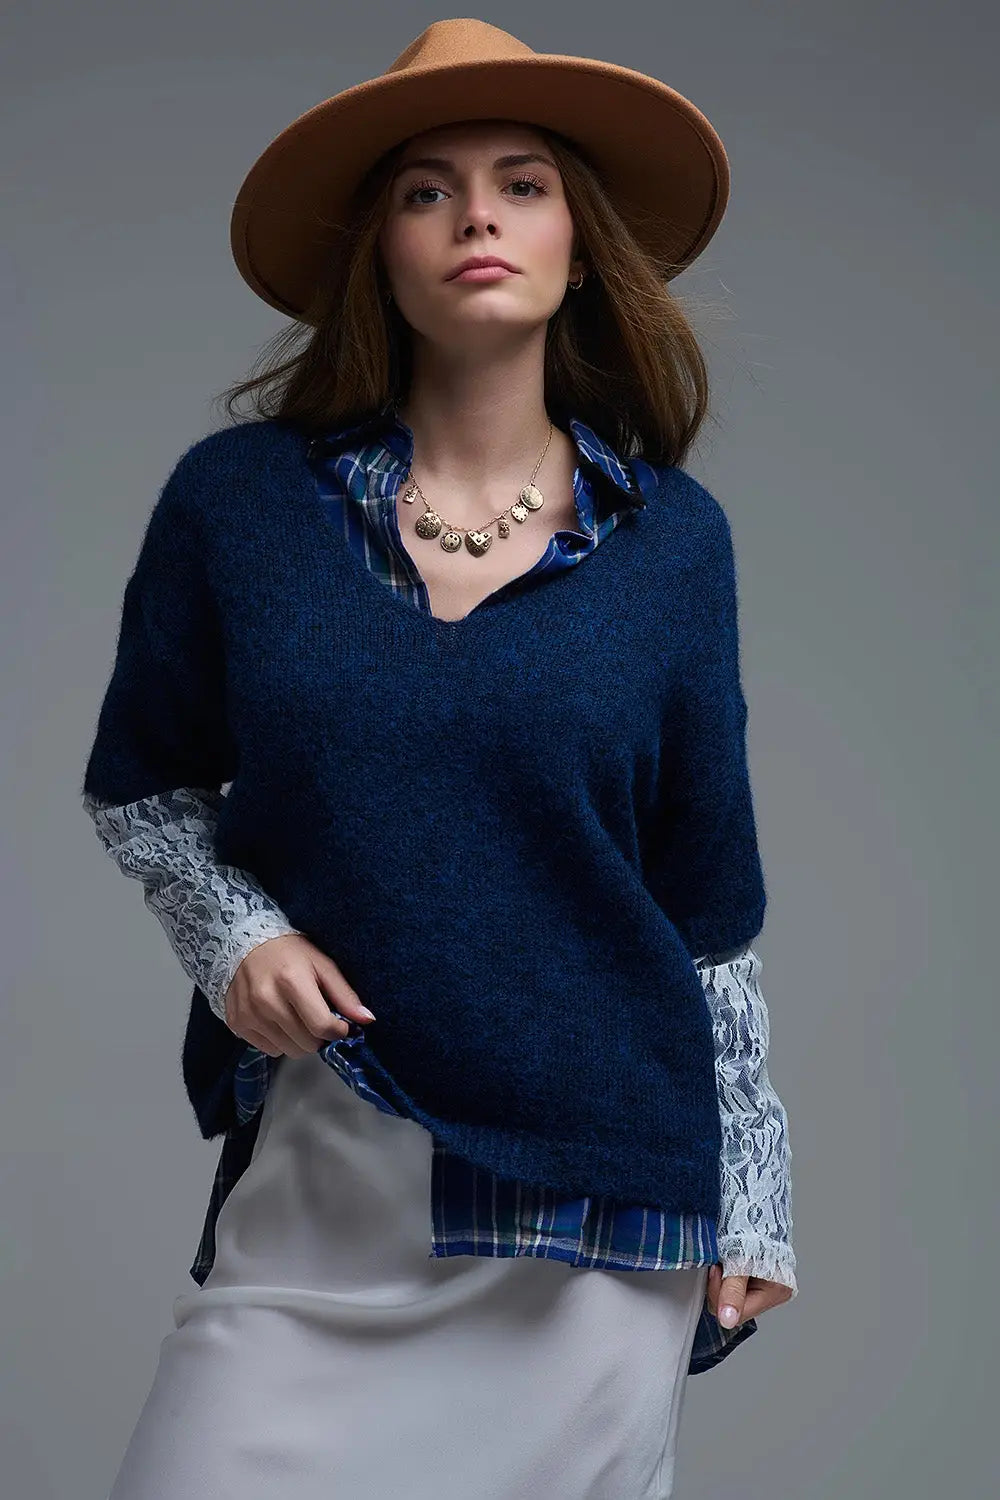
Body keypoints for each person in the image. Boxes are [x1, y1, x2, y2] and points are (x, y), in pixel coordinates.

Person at [81, 18, 797, 1500]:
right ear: (382, 255)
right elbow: (143, 787)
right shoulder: (239, 506)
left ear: (580, 251)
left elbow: (708, 908)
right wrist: (236, 937)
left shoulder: (675, 544)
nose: (478, 217)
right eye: (428, 191)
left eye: (523, 185)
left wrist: (757, 1193)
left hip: (596, 1212)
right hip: (330, 1178)